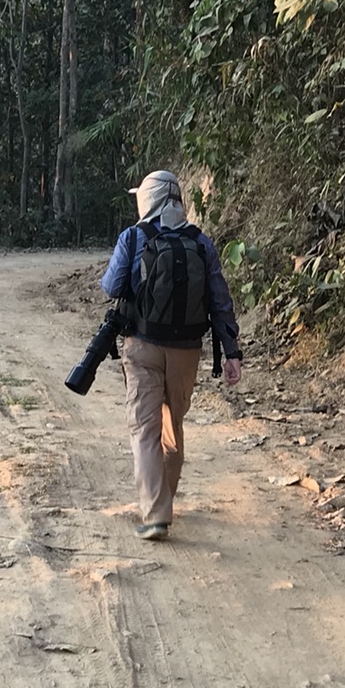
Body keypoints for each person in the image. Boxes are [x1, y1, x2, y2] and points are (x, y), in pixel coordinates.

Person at [100, 170, 243, 540]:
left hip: (142, 346)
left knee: (144, 429)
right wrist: (232, 352)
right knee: (171, 426)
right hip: (187, 352)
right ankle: (165, 500)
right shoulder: (202, 243)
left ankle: (155, 514)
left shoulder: (134, 237)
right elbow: (220, 301)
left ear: (146, 200)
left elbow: (111, 286)